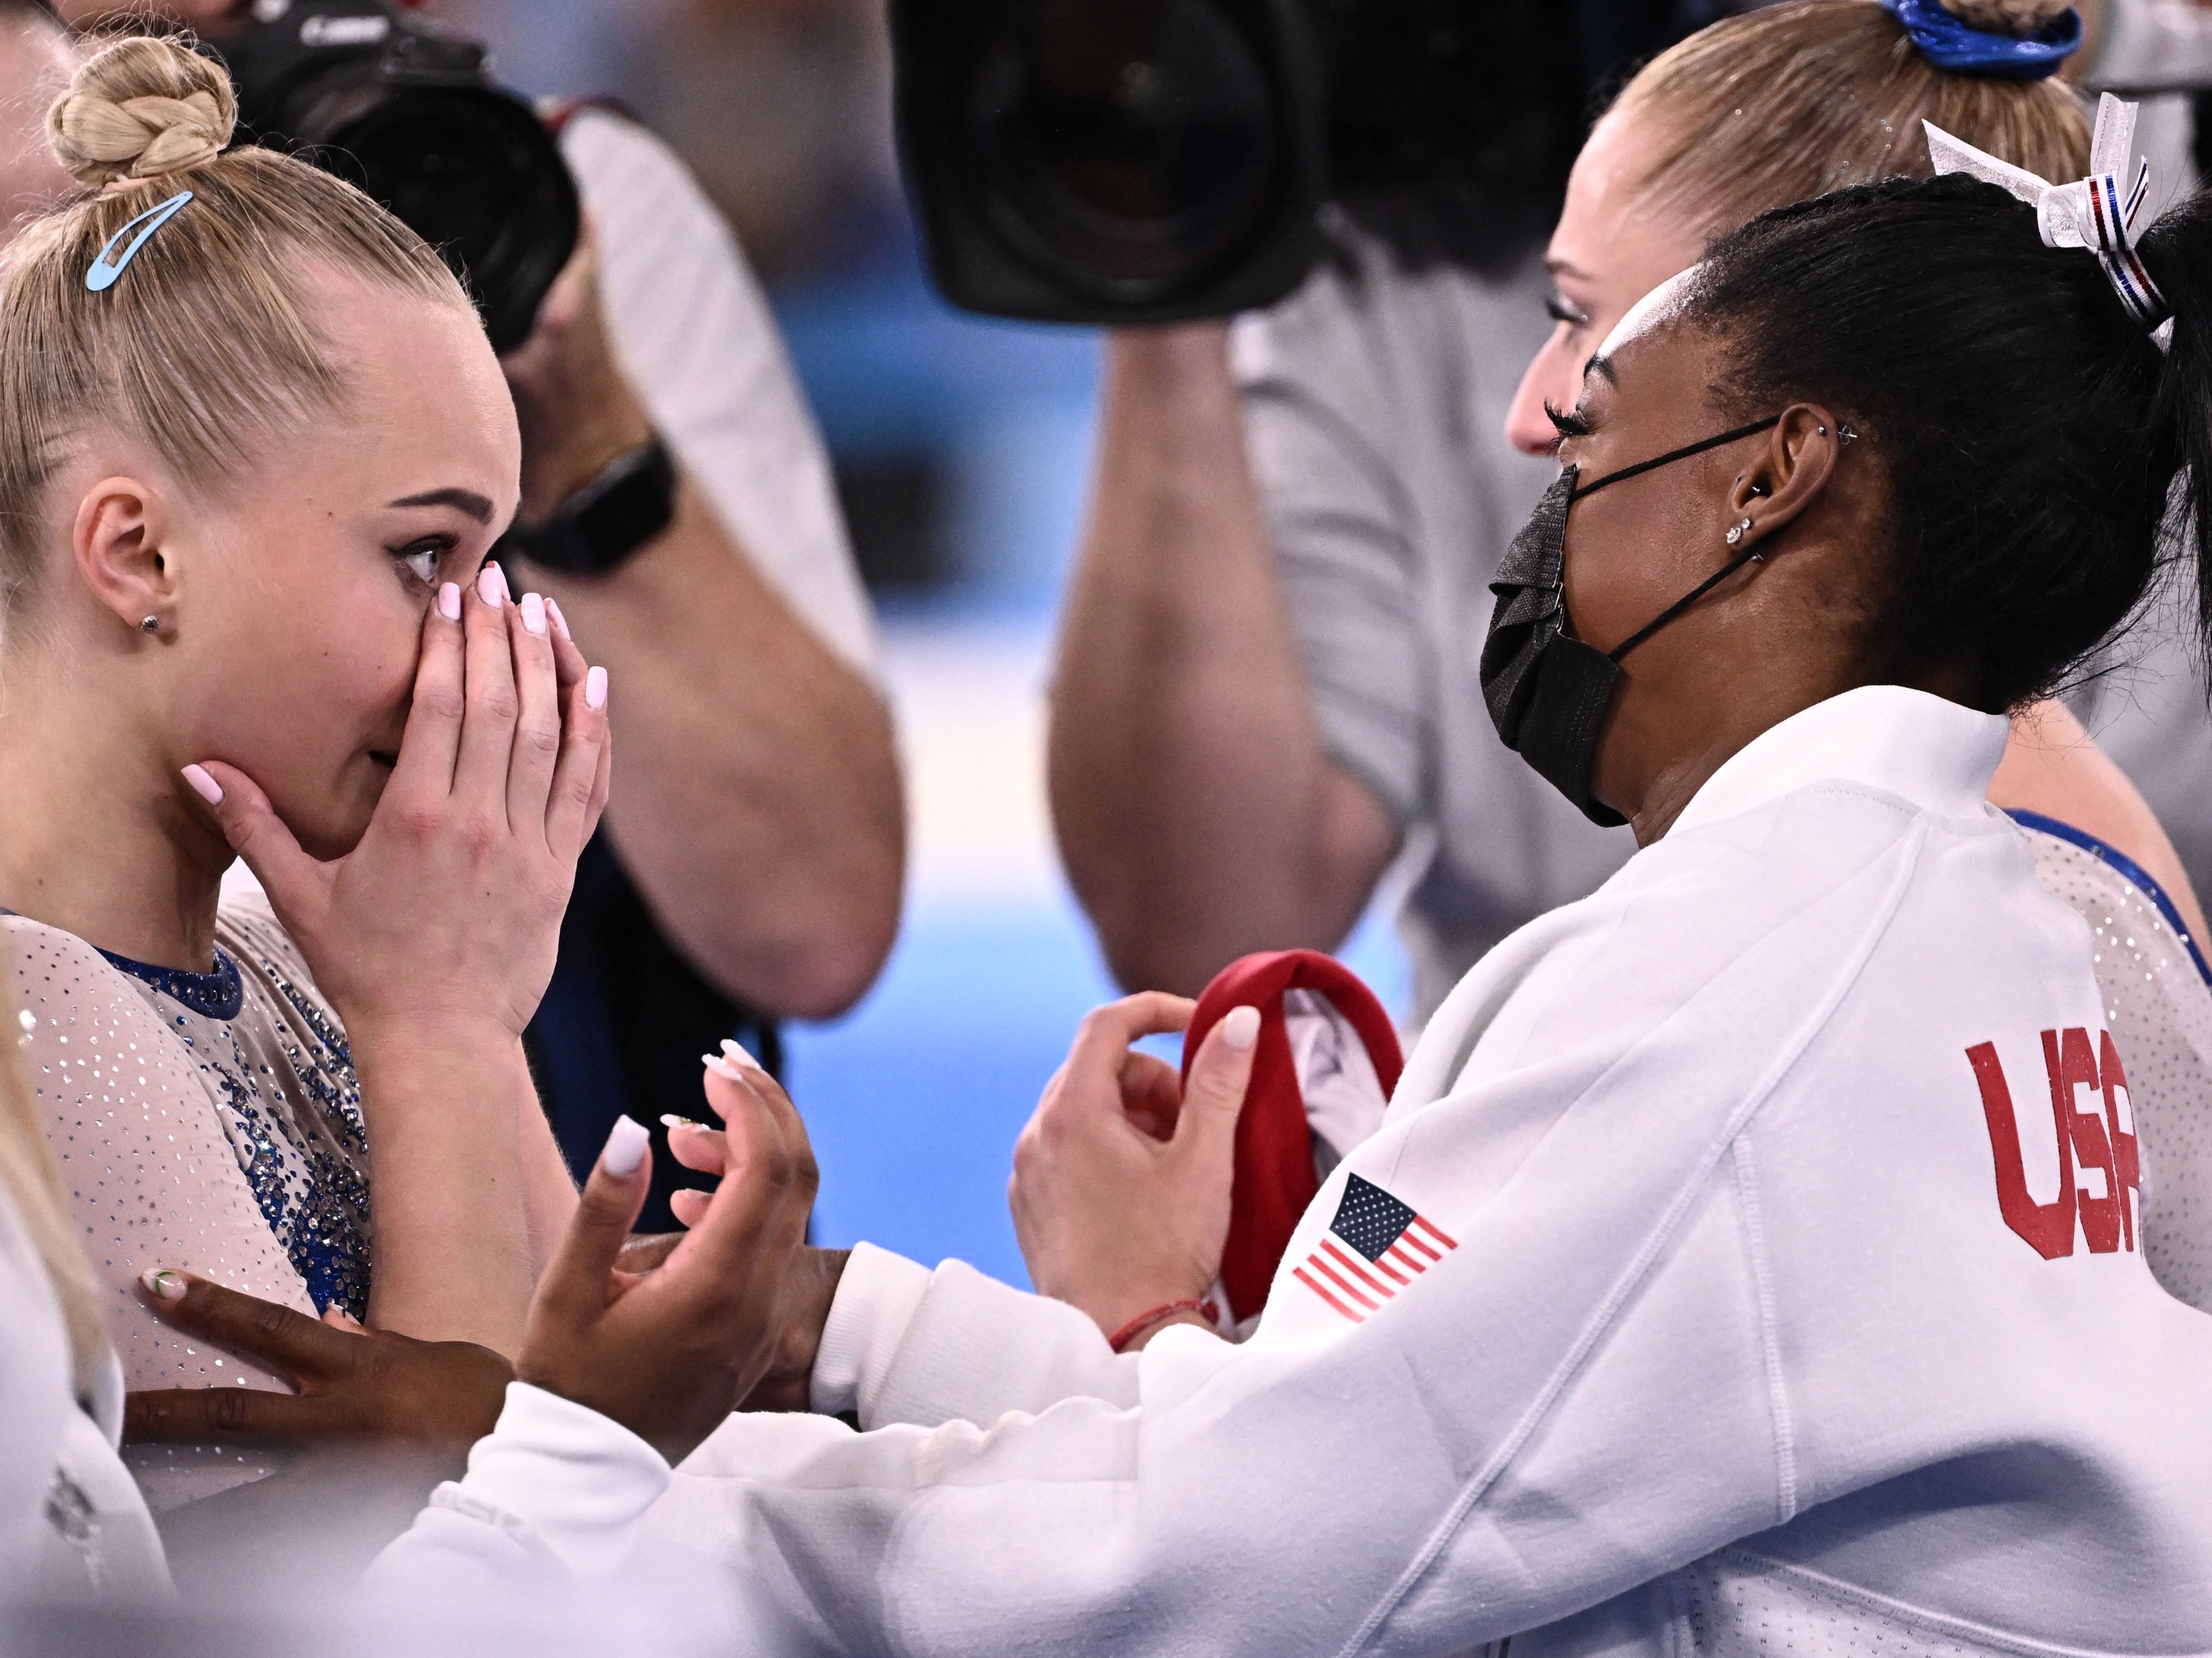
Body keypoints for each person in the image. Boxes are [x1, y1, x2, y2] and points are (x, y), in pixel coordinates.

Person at [158, 119, 2212, 1653]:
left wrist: (574, 1480)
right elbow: (1347, 1431)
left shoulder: (1746, 981)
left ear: (1770, 477)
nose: (1528, 456)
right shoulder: (1948, 905)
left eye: (1587, 426)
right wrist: (826, 1322)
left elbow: (1208, 1560)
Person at [1048, 0, 2210, 1025]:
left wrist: (1115, 1275)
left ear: (1785, 455)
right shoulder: (2078, 863)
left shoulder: (1724, 958)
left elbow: (1400, 1255)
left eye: (1579, 321)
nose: (1533, 412)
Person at [54, 0, 907, 1230]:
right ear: (129, 551)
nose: (450, 627)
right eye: (416, 552)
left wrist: (589, 456)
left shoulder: (527, 190)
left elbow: (816, 928)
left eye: (467, 553)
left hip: (555, 1236)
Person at [0, 35, 606, 1515]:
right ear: (140, 554)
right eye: (424, 554)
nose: (489, 639)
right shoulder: (34, 1005)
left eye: (494, 558)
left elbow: (598, 1435)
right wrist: (446, 1027)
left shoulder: (308, 956)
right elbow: (443, 1602)